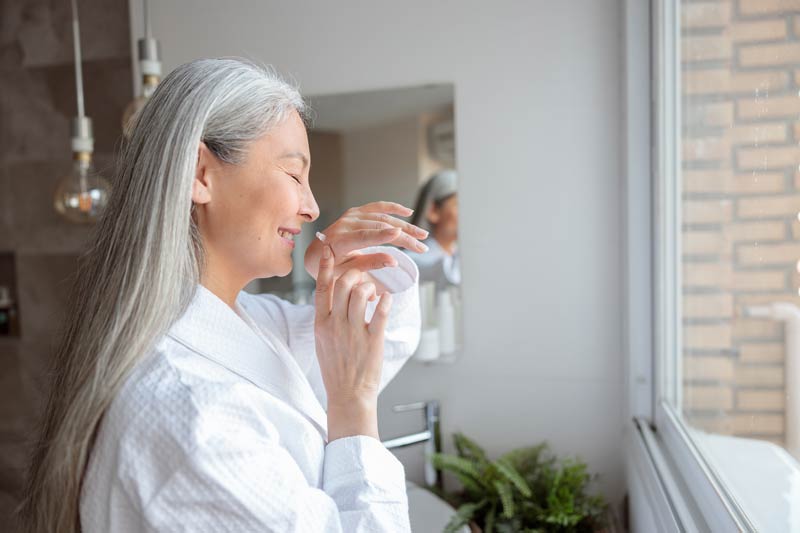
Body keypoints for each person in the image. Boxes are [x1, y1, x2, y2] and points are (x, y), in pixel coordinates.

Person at [18, 58, 431, 533]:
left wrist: (336, 274)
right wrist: (353, 407)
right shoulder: (192, 414)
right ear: (201, 174)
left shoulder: (244, 323)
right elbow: (354, 378)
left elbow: (387, 334)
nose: (312, 207)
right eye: (295, 175)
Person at [407, 170, 460, 291]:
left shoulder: (456, 254)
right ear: (433, 211)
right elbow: (450, 278)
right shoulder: (411, 261)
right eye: (459, 204)